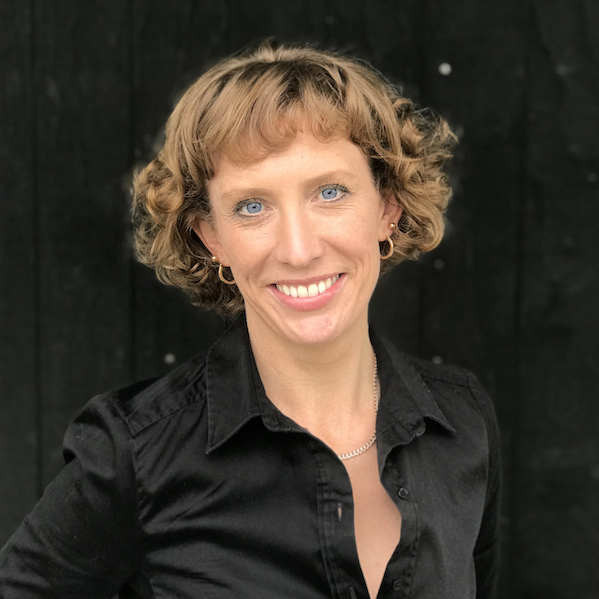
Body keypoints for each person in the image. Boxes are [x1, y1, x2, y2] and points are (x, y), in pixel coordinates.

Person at [0, 40, 500, 599]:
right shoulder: (134, 454)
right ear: (211, 237)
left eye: (329, 192)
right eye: (252, 206)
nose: (299, 249)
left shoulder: (464, 422)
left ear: (388, 207)